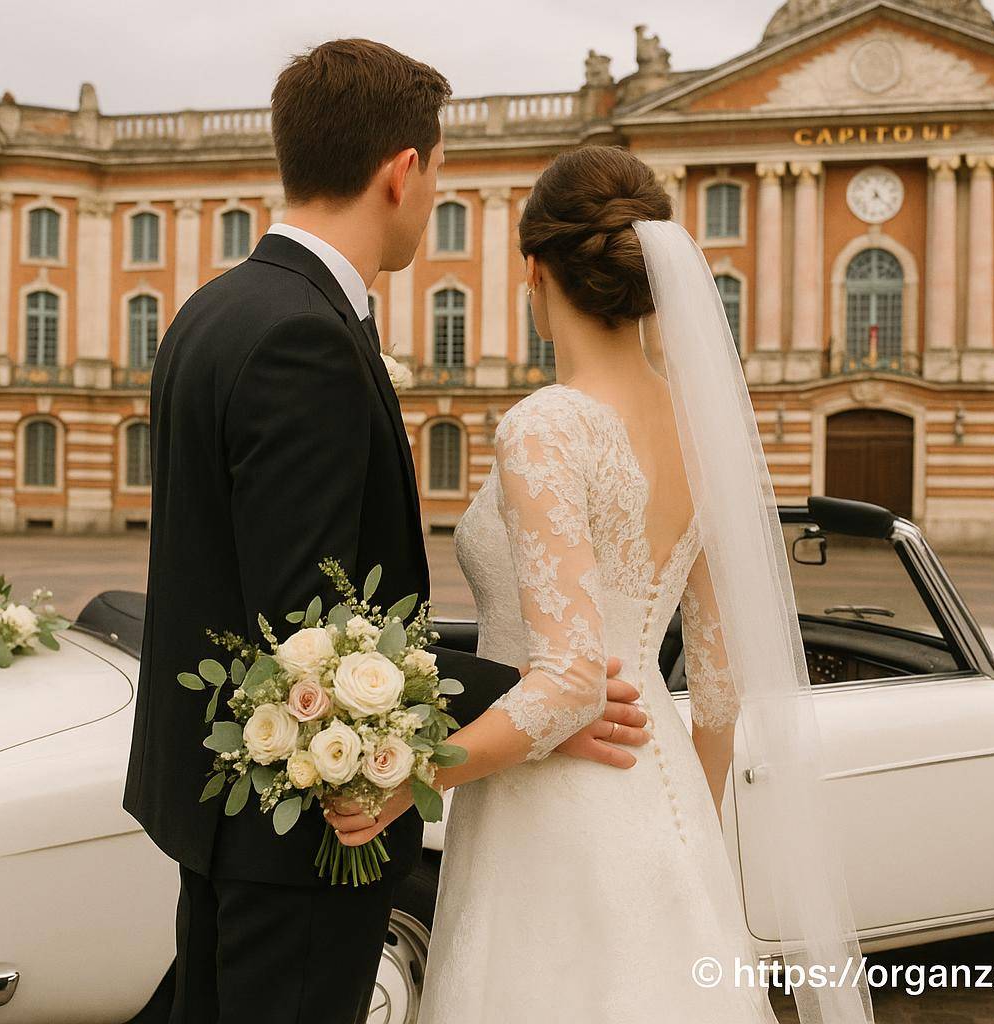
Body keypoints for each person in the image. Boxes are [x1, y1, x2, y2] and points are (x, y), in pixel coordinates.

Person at [122, 41, 648, 1024]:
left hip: (218, 805)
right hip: (302, 827)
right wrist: (548, 695)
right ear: (402, 171)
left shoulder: (212, 311)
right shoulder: (306, 338)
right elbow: (312, 620)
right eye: (438, 173)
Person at [330, 146, 875, 1023]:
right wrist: (680, 834)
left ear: (534, 272)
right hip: (663, 791)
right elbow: (721, 694)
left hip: (546, 810)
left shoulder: (548, 424)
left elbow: (573, 677)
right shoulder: (703, 429)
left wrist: (415, 775)